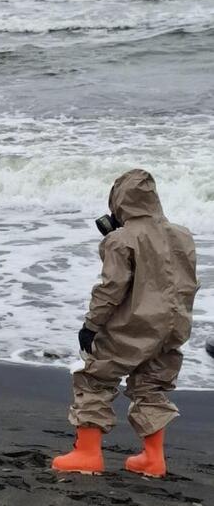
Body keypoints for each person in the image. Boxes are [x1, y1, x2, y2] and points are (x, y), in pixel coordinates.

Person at [52, 169, 198, 478]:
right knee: (152, 386)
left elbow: (111, 288)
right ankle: (153, 459)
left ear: (120, 202)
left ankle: (88, 454)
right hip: (173, 325)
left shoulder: (121, 239)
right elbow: (186, 284)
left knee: (95, 378)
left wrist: (91, 325)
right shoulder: (182, 235)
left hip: (134, 323)